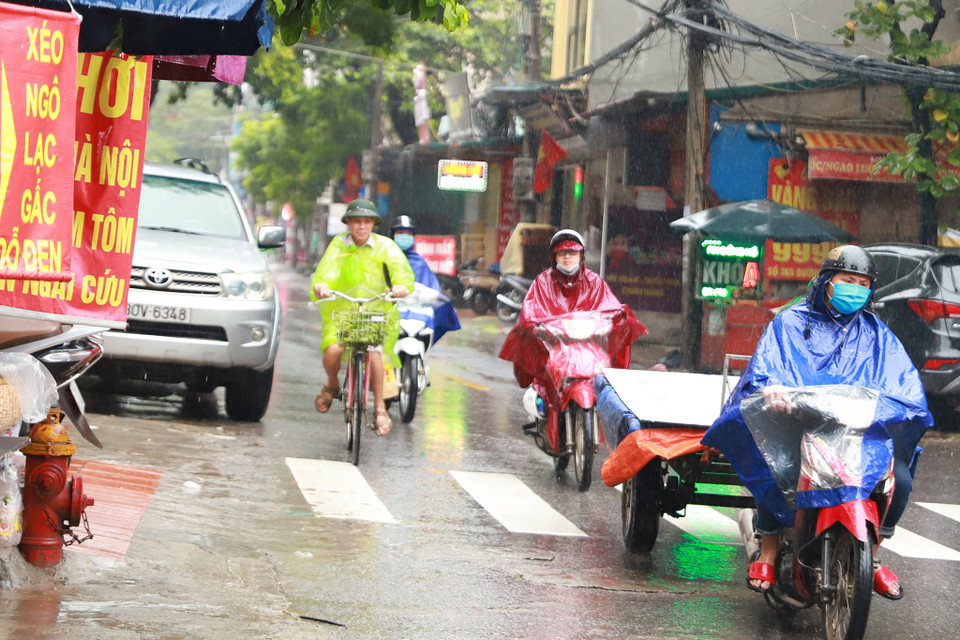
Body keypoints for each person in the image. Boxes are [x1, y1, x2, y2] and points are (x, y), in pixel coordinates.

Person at [702, 245, 932, 600]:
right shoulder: (791, 322)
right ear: (827, 281)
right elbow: (766, 368)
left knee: (899, 478)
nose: (855, 287)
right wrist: (772, 389)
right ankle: (769, 546)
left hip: (857, 432)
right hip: (799, 423)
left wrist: (903, 404)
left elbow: (901, 381)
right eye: (847, 280)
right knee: (777, 463)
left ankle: (873, 553)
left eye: (862, 282)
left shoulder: (876, 334)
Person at [499, 229, 646, 412]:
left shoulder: (594, 281)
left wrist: (616, 318)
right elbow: (530, 312)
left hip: (588, 345)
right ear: (554, 256)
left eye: (572, 252)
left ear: (580, 255)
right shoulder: (542, 282)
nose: (567, 257)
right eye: (562, 253)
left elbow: (609, 306)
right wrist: (535, 325)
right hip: (554, 345)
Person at [310, 199, 415, 436]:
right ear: (348, 223)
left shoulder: (386, 247)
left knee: (375, 353)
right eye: (356, 221)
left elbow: (402, 273)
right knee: (333, 351)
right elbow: (325, 274)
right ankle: (332, 383)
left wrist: (399, 286)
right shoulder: (338, 246)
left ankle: (379, 407)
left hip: (375, 312)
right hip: (343, 314)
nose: (361, 226)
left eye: (366, 221)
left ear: (372, 224)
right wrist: (322, 286)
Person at [390, 215, 461, 343]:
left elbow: (430, 286)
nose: (404, 237)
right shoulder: (386, 257)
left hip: (415, 307)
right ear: (393, 235)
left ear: (413, 237)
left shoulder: (419, 261)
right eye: (400, 232)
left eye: (408, 233)